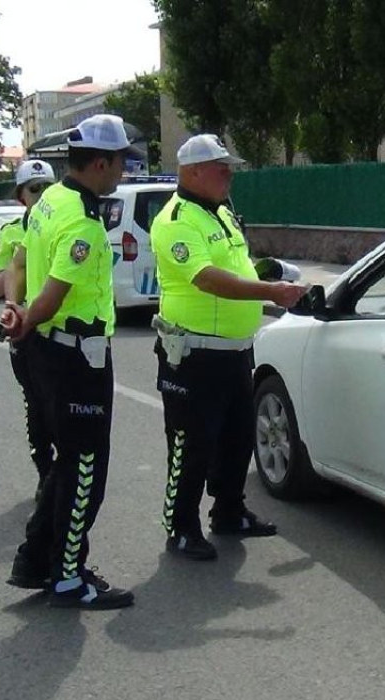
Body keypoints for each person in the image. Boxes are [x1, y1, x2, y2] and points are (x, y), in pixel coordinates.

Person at [3, 114, 143, 610]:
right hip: (75, 358)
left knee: (65, 464)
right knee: (86, 468)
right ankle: (67, 577)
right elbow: (55, 295)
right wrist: (25, 316)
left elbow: (19, 265)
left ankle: (34, 561)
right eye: (122, 161)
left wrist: (18, 314)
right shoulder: (81, 220)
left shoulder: (50, 202)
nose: (125, 170)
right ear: (101, 163)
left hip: (46, 352)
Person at [149, 134, 307, 561]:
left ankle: (229, 511)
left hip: (234, 351)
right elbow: (205, 277)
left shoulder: (220, 213)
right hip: (194, 355)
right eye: (221, 168)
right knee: (191, 443)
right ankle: (181, 526)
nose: (229, 175)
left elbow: (234, 268)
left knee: (237, 438)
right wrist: (269, 291)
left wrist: (266, 274)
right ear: (193, 171)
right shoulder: (176, 219)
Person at [0, 159, 56, 526]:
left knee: (61, 404)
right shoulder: (14, 232)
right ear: (21, 196)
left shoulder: (60, 224)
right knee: (37, 404)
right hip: (26, 330)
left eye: (47, 187)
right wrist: (15, 272)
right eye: (34, 189)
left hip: (58, 328)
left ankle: (63, 471)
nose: (41, 195)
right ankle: (46, 471)